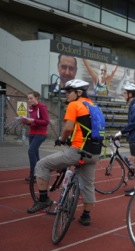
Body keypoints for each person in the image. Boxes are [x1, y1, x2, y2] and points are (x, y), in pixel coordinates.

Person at [27, 79, 100, 227]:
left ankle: (43, 199)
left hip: (78, 151)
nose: (66, 95)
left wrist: (61, 139)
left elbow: (68, 128)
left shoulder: (74, 105)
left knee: (42, 164)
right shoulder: (93, 106)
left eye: (68, 92)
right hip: (94, 152)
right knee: (88, 184)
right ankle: (86, 216)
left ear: (78, 93)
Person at [115, 83, 135, 196]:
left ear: (130, 94)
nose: (123, 94)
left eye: (125, 93)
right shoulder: (134, 105)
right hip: (134, 136)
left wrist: (122, 132)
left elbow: (134, 123)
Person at [22, 91, 50, 181]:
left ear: (36, 98)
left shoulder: (42, 107)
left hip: (41, 133)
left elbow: (46, 121)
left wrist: (33, 121)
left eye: (31, 98)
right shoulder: (30, 108)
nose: (29, 100)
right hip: (32, 133)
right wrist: (26, 122)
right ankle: (40, 172)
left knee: (31, 151)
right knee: (35, 152)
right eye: (28, 98)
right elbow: (33, 122)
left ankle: (33, 175)